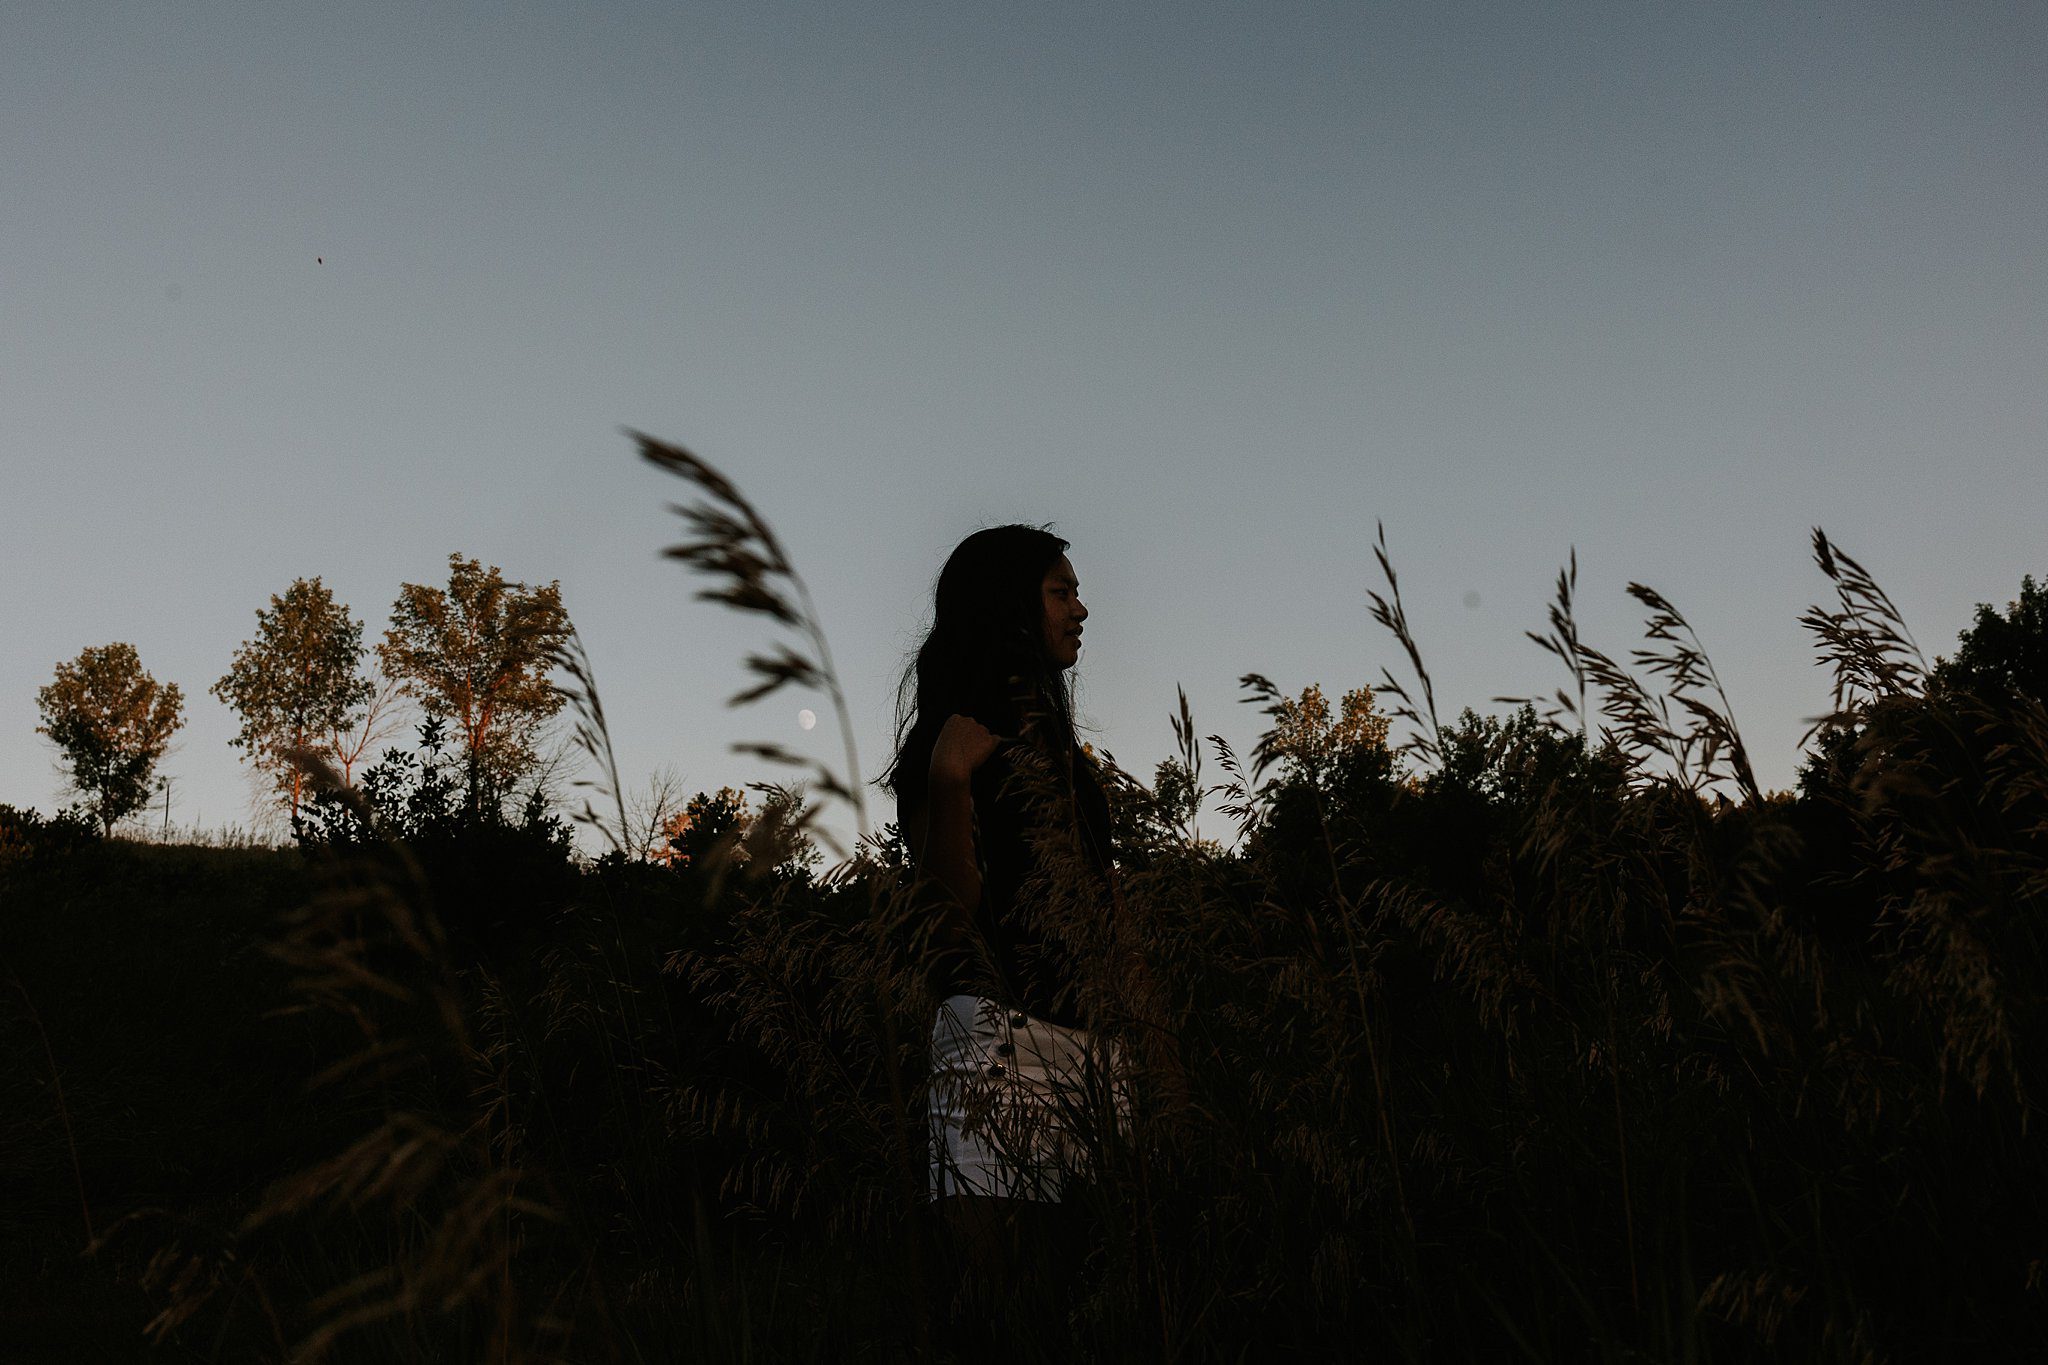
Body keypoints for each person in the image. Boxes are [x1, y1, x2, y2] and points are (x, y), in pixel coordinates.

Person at [883, 524, 1123, 1347]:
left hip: (1092, 1048)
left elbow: (1104, 909)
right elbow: (949, 917)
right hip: (990, 1045)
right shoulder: (948, 743)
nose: (1082, 608)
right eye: (1062, 592)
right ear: (1012, 607)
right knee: (1000, 1316)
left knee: (1099, 1306)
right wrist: (951, 782)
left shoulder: (1062, 756)